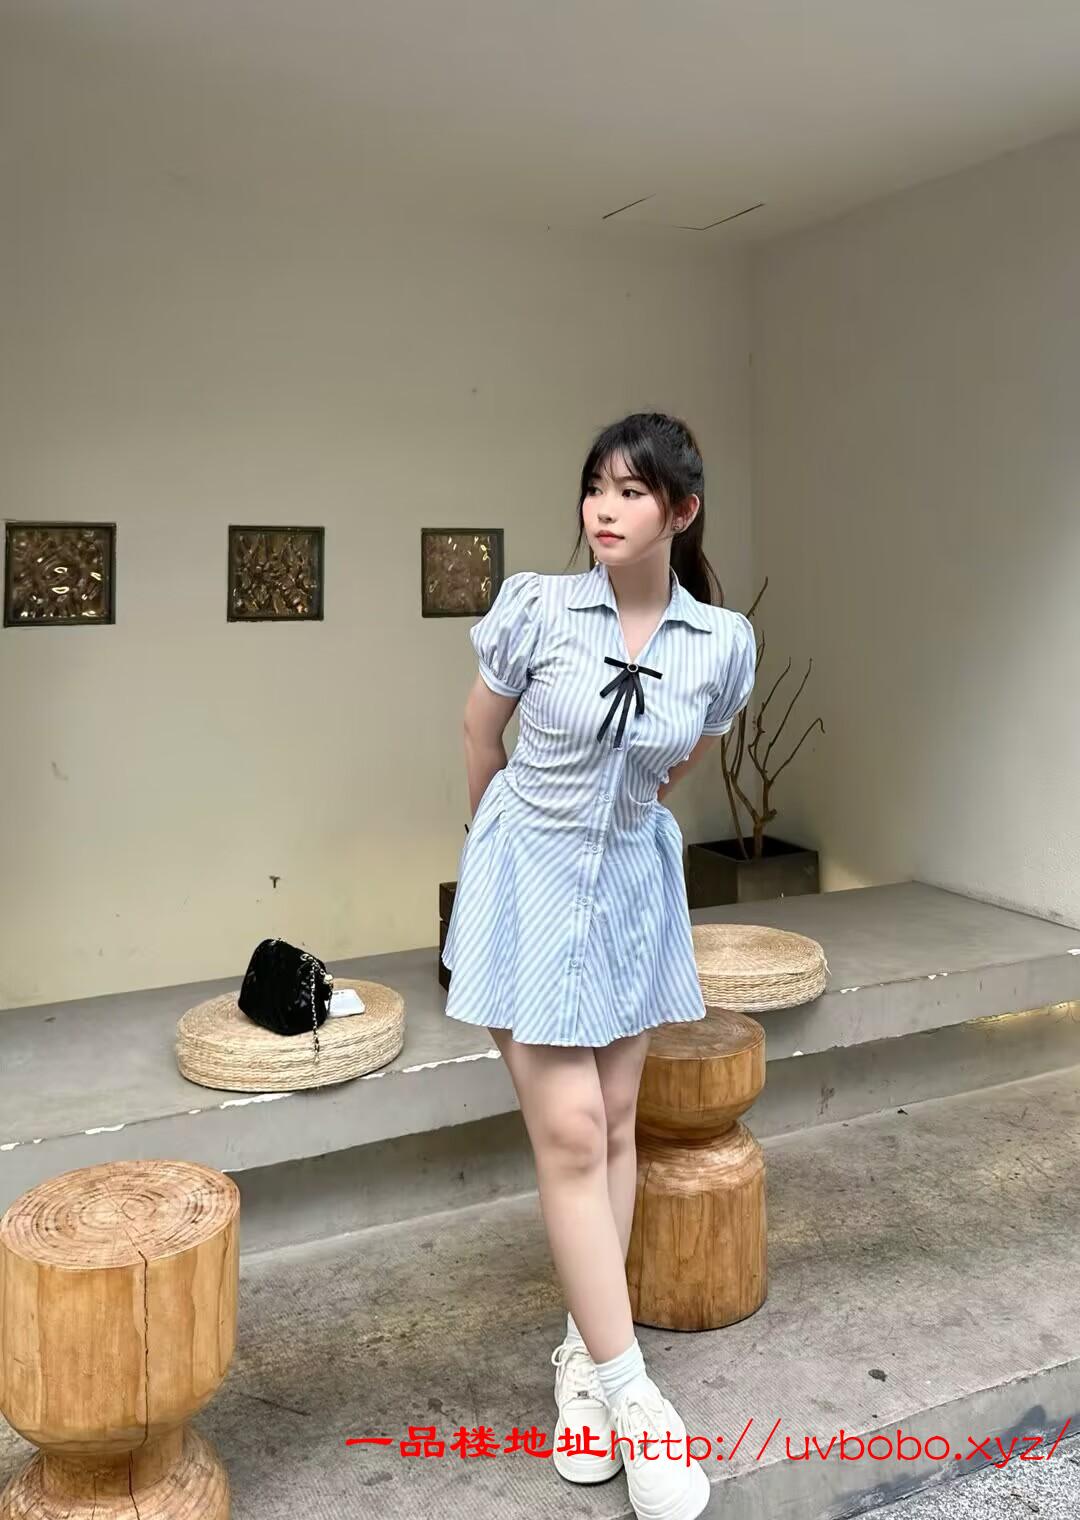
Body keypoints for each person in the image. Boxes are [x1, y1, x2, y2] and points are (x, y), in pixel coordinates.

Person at [441, 411, 757, 1520]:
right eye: (594, 487)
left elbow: (683, 753)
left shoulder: (721, 642)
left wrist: (626, 818)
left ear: (682, 509)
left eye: (630, 491)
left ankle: (583, 1352)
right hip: (526, 878)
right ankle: (636, 1398)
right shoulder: (536, 605)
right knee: (574, 1130)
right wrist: (494, 856)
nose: (603, 509)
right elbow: (480, 736)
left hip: (629, 888)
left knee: (618, 1122)